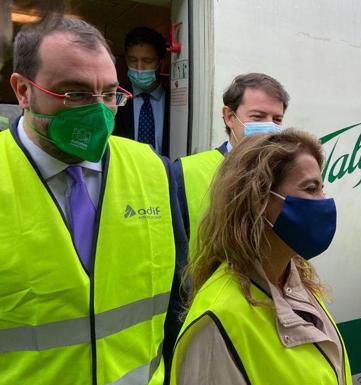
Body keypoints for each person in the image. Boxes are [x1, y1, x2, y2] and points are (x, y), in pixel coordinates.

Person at [1, 17, 187, 384]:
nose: (100, 111)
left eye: (110, 94)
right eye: (76, 94)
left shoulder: (154, 170)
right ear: (23, 91)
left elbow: (178, 302)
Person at [171, 129, 352, 385]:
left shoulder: (295, 282)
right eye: (311, 189)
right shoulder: (218, 320)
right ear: (259, 200)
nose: (323, 201)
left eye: (322, 188)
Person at [172, 73, 289, 252]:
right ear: (229, 117)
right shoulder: (185, 172)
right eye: (258, 117)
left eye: (277, 120)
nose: (269, 129)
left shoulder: (287, 175)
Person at [115, 27, 170, 156]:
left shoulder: (175, 102)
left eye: (147, 61)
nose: (139, 68)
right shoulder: (115, 97)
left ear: (161, 62)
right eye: (133, 60)